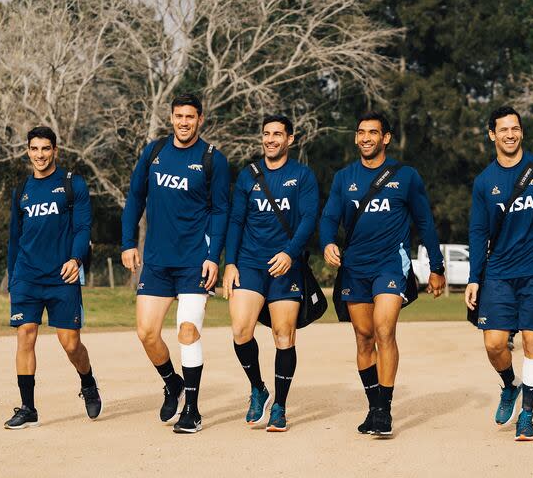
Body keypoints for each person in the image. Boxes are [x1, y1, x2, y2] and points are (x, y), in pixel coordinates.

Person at [320, 111, 446, 436]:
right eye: (360, 132)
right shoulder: (343, 177)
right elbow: (329, 218)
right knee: (363, 336)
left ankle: (385, 410)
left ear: (385, 138)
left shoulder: (406, 176)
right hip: (354, 268)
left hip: (391, 263)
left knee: (383, 330)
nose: (365, 138)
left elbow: (425, 223)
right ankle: (374, 406)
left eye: (372, 133)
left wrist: (436, 267)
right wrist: (327, 243)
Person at [465, 106, 533, 442]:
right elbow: (477, 231)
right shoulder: (484, 181)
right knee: (495, 343)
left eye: (515, 129)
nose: (510, 135)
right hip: (497, 273)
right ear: (492, 135)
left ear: (522, 132)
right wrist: (474, 277)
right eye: (503, 130)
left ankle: (526, 415)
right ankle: (509, 386)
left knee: (532, 341)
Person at [121, 94, 230, 433]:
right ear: (171, 118)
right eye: (179, 116)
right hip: (155, 260)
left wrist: (214, 257)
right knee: (146, 333)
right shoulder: (154, 152)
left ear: (201, 119)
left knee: (187, 329)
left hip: (194, 262)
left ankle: (193, 411)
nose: (184, 122)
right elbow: (136, 196)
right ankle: (173, 383)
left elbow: (221, 211)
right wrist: (127, 243)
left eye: (191, 116)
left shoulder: (213, 159)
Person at [223, 115, 319, 432]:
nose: (271, 139)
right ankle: (258, 388)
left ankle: (279, 405)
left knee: (283, 334)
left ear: (290, 139)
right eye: (266, 134)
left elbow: (308, 219)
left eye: (278, 134)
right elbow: (236, 221)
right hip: (250, 262)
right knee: (240, 330)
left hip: (286, 266)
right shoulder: (249, 175)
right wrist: (230, 263)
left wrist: (290, 253)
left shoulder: (302, 176)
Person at [5, 126, 101, 429]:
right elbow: (14, 238)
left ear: (55, 151)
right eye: (34, 149)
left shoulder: (73, 184)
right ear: (28, 151)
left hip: (63, 276)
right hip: (27, 277)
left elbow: (82, 228)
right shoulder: (21, 191)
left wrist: (76, 259)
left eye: (46, 149)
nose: (40, 155)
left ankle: (87, 381)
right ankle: (28, 408)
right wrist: (12, 278)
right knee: (25, 335)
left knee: (70, 344)